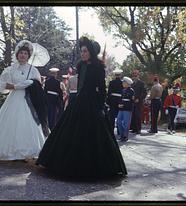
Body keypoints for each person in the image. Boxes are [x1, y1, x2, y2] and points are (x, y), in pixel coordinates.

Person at [36, 36, 127, 179]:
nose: (82, 53)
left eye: (85, 51)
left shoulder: (98, 67)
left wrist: (100, 105)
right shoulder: (81, 65)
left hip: (92, 102)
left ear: (90, 51)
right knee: (68, 130)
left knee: (94, 134)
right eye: (81, 51)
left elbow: (102, 89)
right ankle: (60, 163)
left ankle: (94, 167)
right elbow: (79, 86)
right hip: (78, 101)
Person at [0, 40, 45, 161]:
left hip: (28, 100)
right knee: (10, 123)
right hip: (14, 98)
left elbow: (38, 85)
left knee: (28, 123)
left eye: (25, 53)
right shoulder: (10, 69)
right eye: (21, 53)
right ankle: (10, 151)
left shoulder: (33, 70)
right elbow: (4, 85)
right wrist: (17, 86)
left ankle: (27, 151)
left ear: (28, 56)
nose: (23, 55)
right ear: (17, 54)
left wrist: (29, 83)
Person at [117, 77, 135, 142]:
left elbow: (132, 101)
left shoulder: (131, 91)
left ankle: (125, 136)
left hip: (127, 109)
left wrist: (124, 104)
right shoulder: (123, 90)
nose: (122, 83)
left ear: (127, 83)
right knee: (118, 121)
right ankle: (122, 134)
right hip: (121, 108)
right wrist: (119, 104)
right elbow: (121, 99)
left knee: (126, 123)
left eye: (124, 82)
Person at [107, 68, 123, 133]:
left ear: (115, 75)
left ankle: (111, 129)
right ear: (120, 75)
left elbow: (109, 92)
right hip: (120, 99)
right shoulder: (122, 83)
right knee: (120, 115)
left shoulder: (111, 82)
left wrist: (108, 101)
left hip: (113, 100)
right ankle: (119, 130)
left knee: (112, 116)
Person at [130, 69, 147, 134]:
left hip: (139, 102)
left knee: (138, 115)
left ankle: (138, 129)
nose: (135, 76)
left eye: (136, 74)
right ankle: (134, 128)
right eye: (134, 74)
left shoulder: (141, 83)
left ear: (138, 75)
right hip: (132, 101)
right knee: (133, 115)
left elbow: (144, 93)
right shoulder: (132, 83)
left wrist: (139, 99)